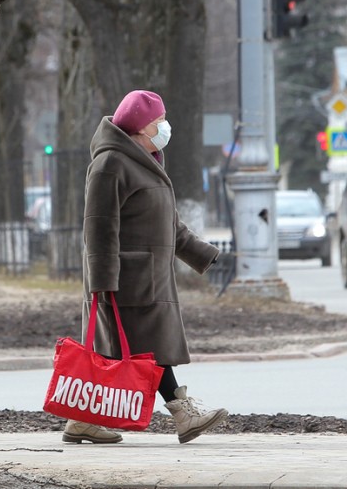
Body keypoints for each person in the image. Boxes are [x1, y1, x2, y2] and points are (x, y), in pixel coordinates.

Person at [62, 90, 228, 445]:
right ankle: (184, 414)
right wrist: (103, 281)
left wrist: (204, 254)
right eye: (159, 122)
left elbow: (170, 225)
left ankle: (80, 420)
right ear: (140, 126)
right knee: (147, 349)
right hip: (124, 279)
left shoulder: (147, 159)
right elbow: (98, 226)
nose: (165, 127)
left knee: (125, 350)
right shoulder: (110, 164)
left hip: (148, 276)